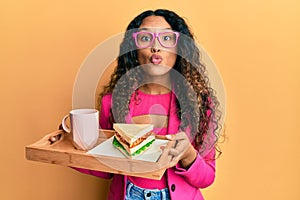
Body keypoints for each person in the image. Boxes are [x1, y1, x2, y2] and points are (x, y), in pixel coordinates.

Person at [73, 9, 222, 200]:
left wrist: (189, 155)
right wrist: (72, 145)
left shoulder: (200, 104)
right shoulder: (111, 102)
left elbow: (207, 177)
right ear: (134, 49)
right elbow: (106, 168)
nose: (156, 47)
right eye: (145, 38)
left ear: (180, 48)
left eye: (166, 38)